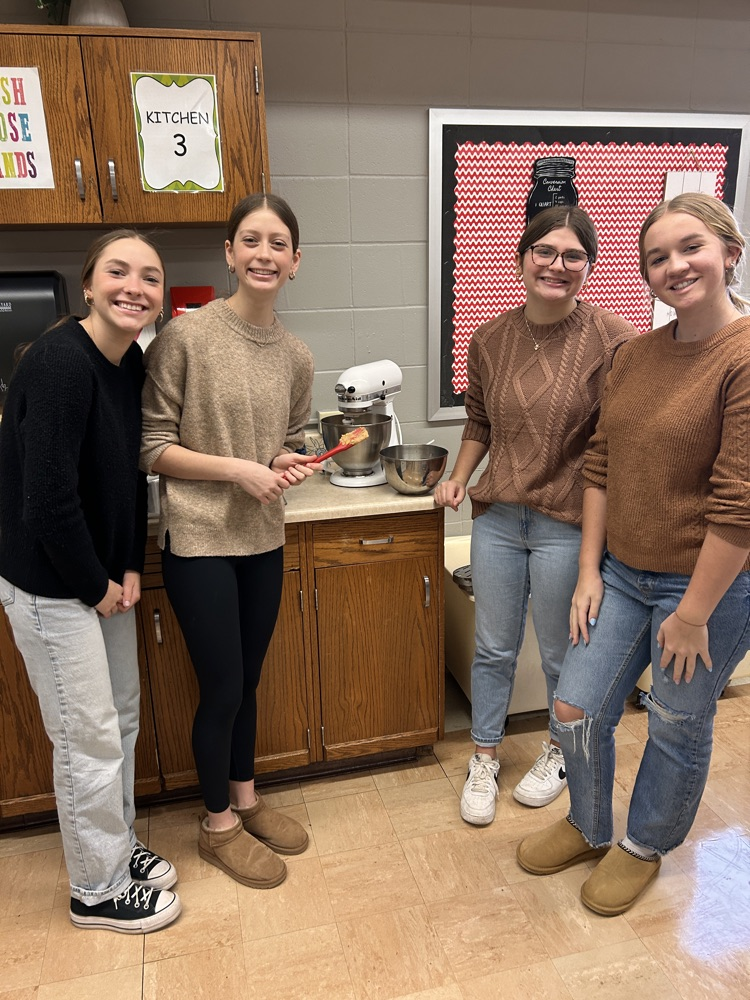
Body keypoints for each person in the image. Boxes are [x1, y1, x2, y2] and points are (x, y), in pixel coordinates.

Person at [517, 192, 750, 915]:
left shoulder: (743, 357)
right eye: (657, 257)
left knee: (678, 721)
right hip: (621, 571)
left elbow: (740, 506)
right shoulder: (636, 355)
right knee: (575, 705)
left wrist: (693, 612)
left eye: (691, 248)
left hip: (709, 587)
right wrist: (589, 570)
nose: (675, 266)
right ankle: (588, 825)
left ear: (729, 254)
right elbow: (601, 466)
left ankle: (644, 844)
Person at [0, 231, 181, 934]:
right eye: (119, 272)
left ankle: (116, 844)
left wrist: (129, 565)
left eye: (150, 277)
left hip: (105, 582)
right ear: (88, 285)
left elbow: (127, 477)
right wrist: (95, 584)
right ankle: (96, 889)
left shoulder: (126, 363)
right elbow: (47, 498)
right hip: (53, 590)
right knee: (88, 738)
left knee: (121, 721)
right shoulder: (59, 364)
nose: (134, 287)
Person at [434, 206, 637, 826]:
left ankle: (557, 752)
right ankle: (485, 756)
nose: (558, 265)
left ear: (588, 266)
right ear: (522, 258)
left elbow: (610, 445)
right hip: (498, 519)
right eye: (545, 252)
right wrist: (458, 478)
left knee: (559, 653)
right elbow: (480, 422)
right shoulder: (490, 338)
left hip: (566, 525)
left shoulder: (613, 341)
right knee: (493, 649)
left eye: (573, 255)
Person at [140, 193, 318, 888]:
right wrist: (239, 470)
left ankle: (246, 798)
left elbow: (287, 443)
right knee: (219, 688)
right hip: (201, 541)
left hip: (262, 539)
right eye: (251, 240)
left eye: (278, 243)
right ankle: (216, 823)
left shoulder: (297, 356)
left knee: (248, 680)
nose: (264, 254)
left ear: (295, 262)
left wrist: (279, 463)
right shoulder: (186, 337)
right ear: (229, 253)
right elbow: (151, 448)